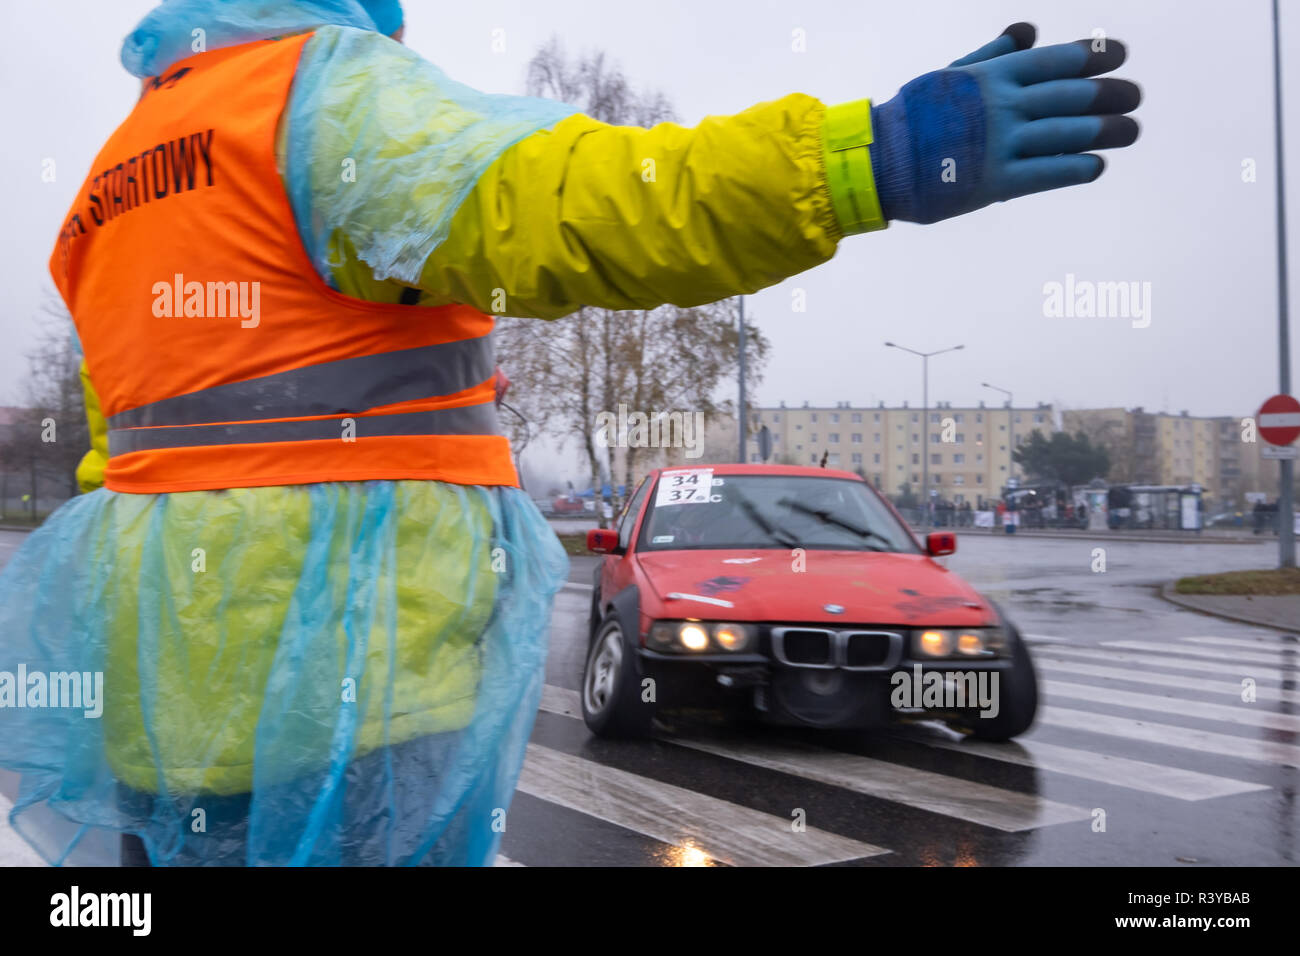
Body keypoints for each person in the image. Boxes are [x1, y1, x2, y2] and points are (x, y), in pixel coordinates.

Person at [1, 0, 1142, 866]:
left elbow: (127, 443)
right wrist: (861, 157)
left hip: (160, 668)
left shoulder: (116, 171)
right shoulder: (319, 94)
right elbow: (584, 201)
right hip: (347, 660)